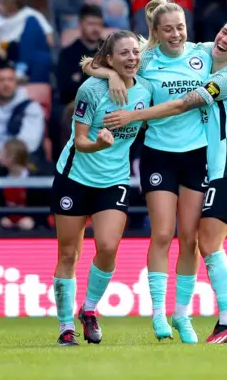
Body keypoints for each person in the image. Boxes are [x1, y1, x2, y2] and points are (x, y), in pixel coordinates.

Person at [83, 0, 227, 344]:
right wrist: (113, 73)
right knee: (162, 235)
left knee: (191, 239)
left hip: (199, 158)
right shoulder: (145, 58)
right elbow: (92, 64)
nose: (176, 34)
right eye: (168, 28)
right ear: (156, 33)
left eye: (181, 27)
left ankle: (184, 314)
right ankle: (160, 312)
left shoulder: (202, 54)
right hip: (159, 155)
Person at [52, 30, 153, 347]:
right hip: (76, 177)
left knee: (108, 247)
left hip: (114, 180)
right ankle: (65, 326)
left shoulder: (146, 89)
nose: (132, 58)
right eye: (123, 53)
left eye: (135, 52)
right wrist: (98, 143)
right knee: (69, 254)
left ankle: (90, 310)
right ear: (109, 59)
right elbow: (80, 141)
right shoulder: (90, 91)